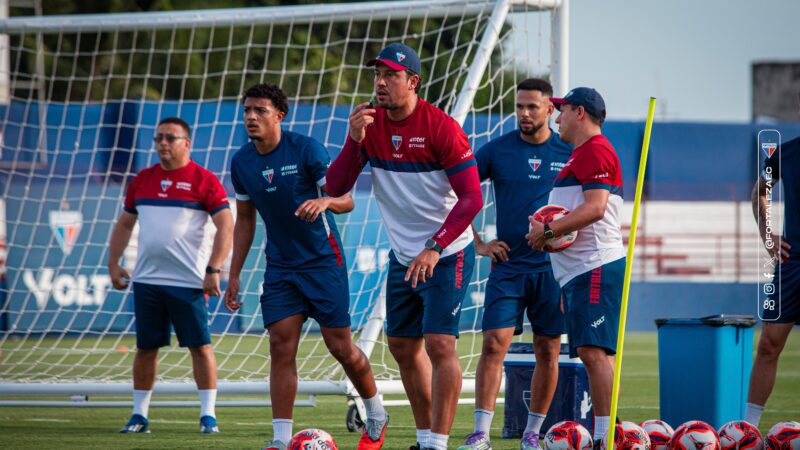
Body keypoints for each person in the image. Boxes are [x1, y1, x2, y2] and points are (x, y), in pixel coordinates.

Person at [327, 43, 483, 450]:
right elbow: (336, 187)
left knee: (439, 343)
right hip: (403, 256)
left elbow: (472, 199)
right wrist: (353, 139)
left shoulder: (442, 127)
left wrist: (435, 246)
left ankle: (438, 444)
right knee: (400, 345)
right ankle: (424, 437)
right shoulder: (368, 123)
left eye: (390, 75)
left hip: (445, 252)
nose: (380, 83)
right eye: (377, 75)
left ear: (413, 82)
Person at [223, 83, 388, 450]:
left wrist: (325, 202)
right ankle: (281, 441)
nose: (251, 117)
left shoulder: (306, 149)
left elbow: (346, 200)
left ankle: (376, 411)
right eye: (247, 110)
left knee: (340, 347)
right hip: (281, 268)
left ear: (279, 115)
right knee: (281, 347)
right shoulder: (241, 162)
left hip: (323, 262)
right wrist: (232, 273)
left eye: (260, 111)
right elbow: (245, 220)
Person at [459, 78, 571, 450]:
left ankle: (532, 435)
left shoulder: (569, 151)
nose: (524, 113)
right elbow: (458, 192)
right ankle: (480, 435)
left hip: (553, 270)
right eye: (519, 106)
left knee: (548, 349)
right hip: (508, 267)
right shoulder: (496, 151)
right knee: (493, 344)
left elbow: (591, 203)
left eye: (532, 107)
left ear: (549, 109)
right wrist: (479, 243)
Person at [108, 117, 234, 434]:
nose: (163, 143)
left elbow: (226, 225)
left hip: (189, 282)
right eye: (159, 138)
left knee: (200, 346)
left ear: (187, 143)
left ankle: (208, 416)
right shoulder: (142, 180)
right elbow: (125, 224)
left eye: (171, 138)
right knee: (146, 348)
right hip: (148, 280)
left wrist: (214, 268)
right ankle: (139, 415)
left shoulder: (204, 180)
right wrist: (113, 261)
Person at [525, 87, 625, 447]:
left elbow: (595, 207)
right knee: (591, 351)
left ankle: (603, 438)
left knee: (593, 352)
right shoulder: (581, 153)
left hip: (594, 264)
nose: (556, 117)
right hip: (580, 271)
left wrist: (548, 231)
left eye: (562, 110)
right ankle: (607, 433)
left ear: (580, 113)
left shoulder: (595, 149)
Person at [745, 130, 797, 426]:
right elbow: (759, 193)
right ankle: (748, 430)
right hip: (793, 262)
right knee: (768, 344)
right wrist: (767, 235)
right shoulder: (783, 153)